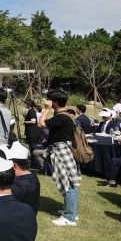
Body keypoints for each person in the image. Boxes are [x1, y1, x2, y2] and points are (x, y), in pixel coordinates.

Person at [38, 89, 80, 226]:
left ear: (54, 102)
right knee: (70, 183)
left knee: (67, 184)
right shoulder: (65, 114)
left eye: (49, 100)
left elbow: (41, 124)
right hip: (63, 151)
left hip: (61, 152)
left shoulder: (61, 117)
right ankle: (71, 211)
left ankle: (69, 217)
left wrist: (46, 109)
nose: (47, 102)